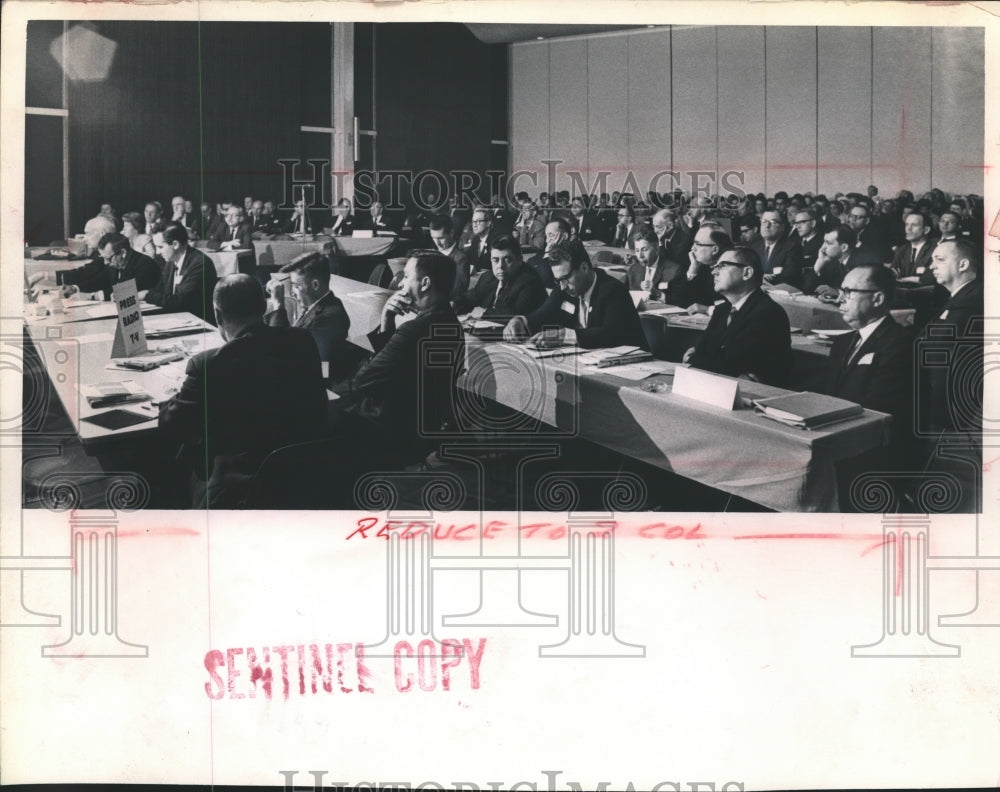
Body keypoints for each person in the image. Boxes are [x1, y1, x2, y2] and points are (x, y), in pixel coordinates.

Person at [158, 274, 327, 508]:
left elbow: (171, 424)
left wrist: (169, 399)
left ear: (217, 314)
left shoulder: (208, 365)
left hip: (235, 489)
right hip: (301, 473)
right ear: (262, 306)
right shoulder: (303, 341)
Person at [335, 251, 464, 466]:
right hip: (423, 428)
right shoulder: (452, 325)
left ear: (424, 283)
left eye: (405, 276)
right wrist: (387, 318)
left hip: (388, 430)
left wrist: (387, 325)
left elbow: (363, 381)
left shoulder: (414, 329)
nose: (401, 284)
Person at [823, 264, 916, 509]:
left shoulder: (900, 344)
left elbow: (880, 408)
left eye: (849, 292)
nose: (840, 298)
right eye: (841, 290)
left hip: (870, 453)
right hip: (837, 440)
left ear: (878, 298)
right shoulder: (843, 342)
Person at [505, 241, 645, 350]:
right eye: (558, 280)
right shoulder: (564, 289)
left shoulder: (612, 290)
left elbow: (610, 334)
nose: (562, 286)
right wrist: (520, 321)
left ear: (584, 268)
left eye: (566, 278)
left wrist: (564, 335)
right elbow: (542, 315)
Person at [683, 246, 792, 387]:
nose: (714, 272)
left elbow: (730, 365)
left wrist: (693, 358)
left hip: (755, 397)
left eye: (722, 266)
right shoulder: (722, 310)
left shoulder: (768, 313)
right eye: (715, 266)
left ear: (746, 273)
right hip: (720, 388)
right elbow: (705, 352)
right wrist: (697, 358)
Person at [265, 252, 351, 379]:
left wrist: (279, 304)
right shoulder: (319, 306)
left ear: (315, 285)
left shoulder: (330, 317)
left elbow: (322, 370)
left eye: (296, 286)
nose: (293, 293)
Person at [452, 235, 547, 325]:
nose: (500, 266)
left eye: (507, 260)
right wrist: (455, 304)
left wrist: (484, 313)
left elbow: (516, 315)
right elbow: (472, 296)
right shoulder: (488, 277)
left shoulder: (529, 281)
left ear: (519, 259)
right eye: (495, 260)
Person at [146, 222, 219, 323]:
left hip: (200, 323)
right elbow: (160, 291)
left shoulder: (200, 263)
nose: (158, 252)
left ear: (175, 244)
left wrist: (146, 295)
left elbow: (179, 302)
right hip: (178, 320)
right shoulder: (170, 262)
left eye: (160, 247)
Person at [58, 232, 159, 301]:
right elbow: (100, 280)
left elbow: (125, 290)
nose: (106, 263)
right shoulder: (116, 262)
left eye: (108, 258)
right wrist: (76, 288)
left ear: (123, 253)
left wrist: (91, 296)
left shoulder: (145, 265)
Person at [752, 210, 803, 288]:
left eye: (773, 222)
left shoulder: (792, 247)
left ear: (782, 227)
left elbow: (789, 276)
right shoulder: (755, 245)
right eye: (764, 221)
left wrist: (760, 279)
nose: (767, 225)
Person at [627, 230, 681, 304]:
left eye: (644, 250)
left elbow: (678, 301)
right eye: (637, 250)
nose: (640, 255)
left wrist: (656, 293)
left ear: (656, 248)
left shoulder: (674, 270)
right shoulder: (633, 269)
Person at [429, 214, 471, 297]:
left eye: (441, 238)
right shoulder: (432, 254)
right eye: (434, 238)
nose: (437, 243)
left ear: (451, 233)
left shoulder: (460, 259)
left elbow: (458, 293)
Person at [462, 207, 495, 272]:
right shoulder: (475, 239)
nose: (474, 225)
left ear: (488, 223)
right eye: (473, 221)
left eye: (478, 221)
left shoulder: (495, 240)